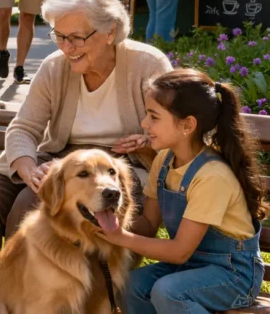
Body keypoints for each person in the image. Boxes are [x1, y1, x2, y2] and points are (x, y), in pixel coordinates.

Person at [0, 0, 172, 307]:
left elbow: (172, 135)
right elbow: (23, 128)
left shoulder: (148, 65)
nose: (67, 47)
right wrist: (28, 168)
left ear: (110, 31)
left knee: (29, 207)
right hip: (54, 160)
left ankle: (29, 301)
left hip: (116, 169)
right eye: (59, 36)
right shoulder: (55, 67)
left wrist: (148, 145)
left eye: (77, 37)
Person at [99, 70, 266, 313]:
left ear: (188, 125)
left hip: (234, 275)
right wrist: (105, 222)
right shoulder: (164, 162)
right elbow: (147, 224)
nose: (145, 124)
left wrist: (120, 238)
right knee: (130, 285)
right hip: (191, 265)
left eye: (154, 117)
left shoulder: (212, 177)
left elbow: (178, 252)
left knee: (169, 291)